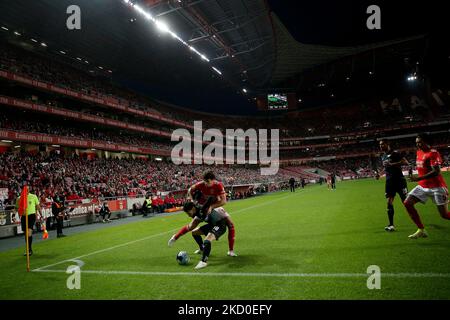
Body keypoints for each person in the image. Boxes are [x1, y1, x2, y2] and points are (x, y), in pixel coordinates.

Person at [403, 134, 450, 239]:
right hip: (423, 186)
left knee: (444, 215)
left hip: (437, 187)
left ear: (427, 142)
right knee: (407, 203)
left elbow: (436, 172)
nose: (418, 144)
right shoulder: (418, 152)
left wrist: (418, 178)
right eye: (416, 142)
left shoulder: (433, 153)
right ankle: (421, 230)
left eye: (420, 142)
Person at [168, 200, 236, 269]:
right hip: (212, 225)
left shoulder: (204, 209)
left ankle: (203, 262)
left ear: (193, 208)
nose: (188, 216)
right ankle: (202, 249)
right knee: (194, 232)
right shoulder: (198, 213)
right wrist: (175, 237)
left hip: (220, 225)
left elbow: (228, 223)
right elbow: (189, 227)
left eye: (188, 213)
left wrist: (231, 249)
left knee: (207, 240)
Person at [185, 171, 236, 257]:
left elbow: (223, 201)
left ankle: (231, 251)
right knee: (194, 227)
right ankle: (202, 247)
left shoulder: (218, 185)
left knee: (230, 225)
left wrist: (212, 206)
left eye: (207, 181)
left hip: (216, 206)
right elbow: (190, 189)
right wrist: (190, 197)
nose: (206, 183)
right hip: (204, 207)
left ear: (213, 180)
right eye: (204, 181)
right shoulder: (201, 184)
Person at [379, 139, 409, 232]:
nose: (381, 146)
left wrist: (392, 164)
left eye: (383, 144)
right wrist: (379, 174)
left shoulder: (395, 153)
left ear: (388, 144)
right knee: (389, 202)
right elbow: (386, 168)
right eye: (380, 145)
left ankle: (418, 223)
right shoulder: (383, 156)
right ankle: (391, 225)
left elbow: (405, 162)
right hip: (389, 182)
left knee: (407, 203)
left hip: (399, 181)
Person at [15, 185, 41, 256]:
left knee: (29, 233)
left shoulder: (33, 196)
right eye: (26, 189)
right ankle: (29, 249)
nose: (27, 190)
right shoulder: (19, 198)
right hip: (24, 217)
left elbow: (38, 206)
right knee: (26, 234)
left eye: (28, 189)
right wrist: (14, 215)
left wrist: (41, 214)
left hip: (31, 216)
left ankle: (29, 250)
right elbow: (16, 208)